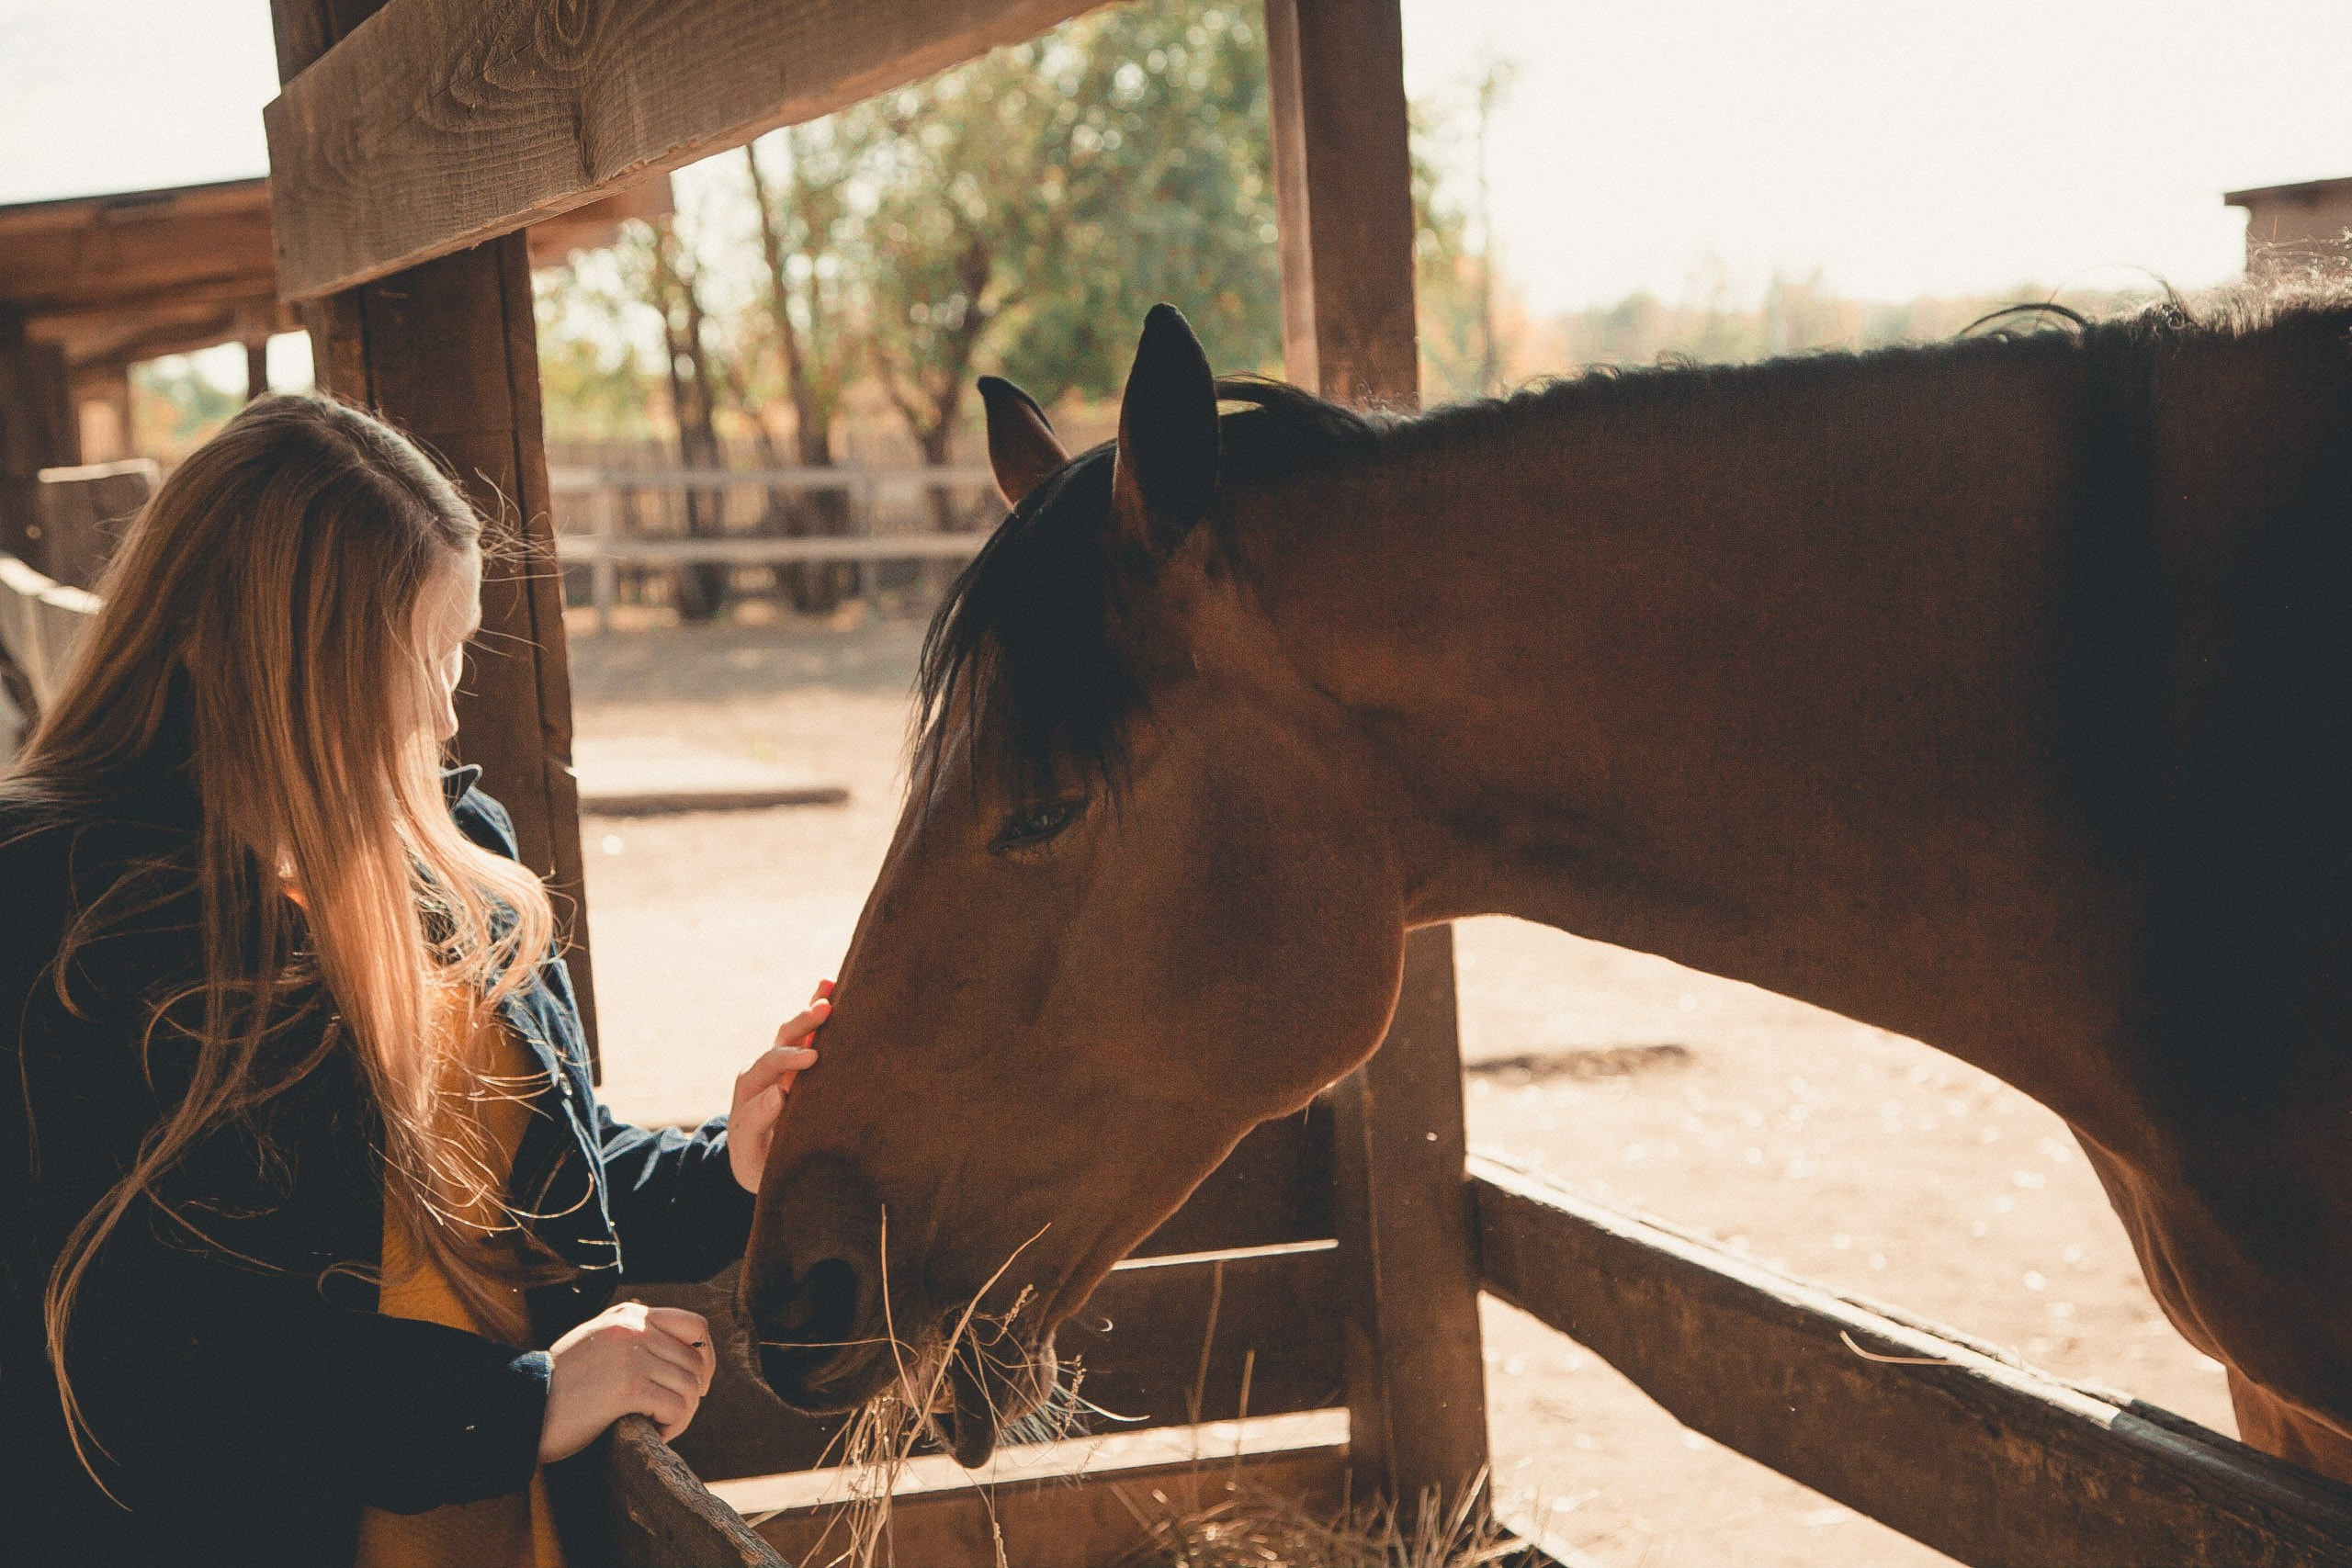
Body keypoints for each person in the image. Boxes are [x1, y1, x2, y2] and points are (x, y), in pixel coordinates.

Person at [0, 393, 829, 1566]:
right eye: (420, 657)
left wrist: (732, 1164)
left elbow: (528, 1187)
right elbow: (147, 1362)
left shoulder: (454, 856)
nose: (448, 710)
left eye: (460, 650)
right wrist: (527, 1400)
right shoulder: (54, 903)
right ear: (276, 659)